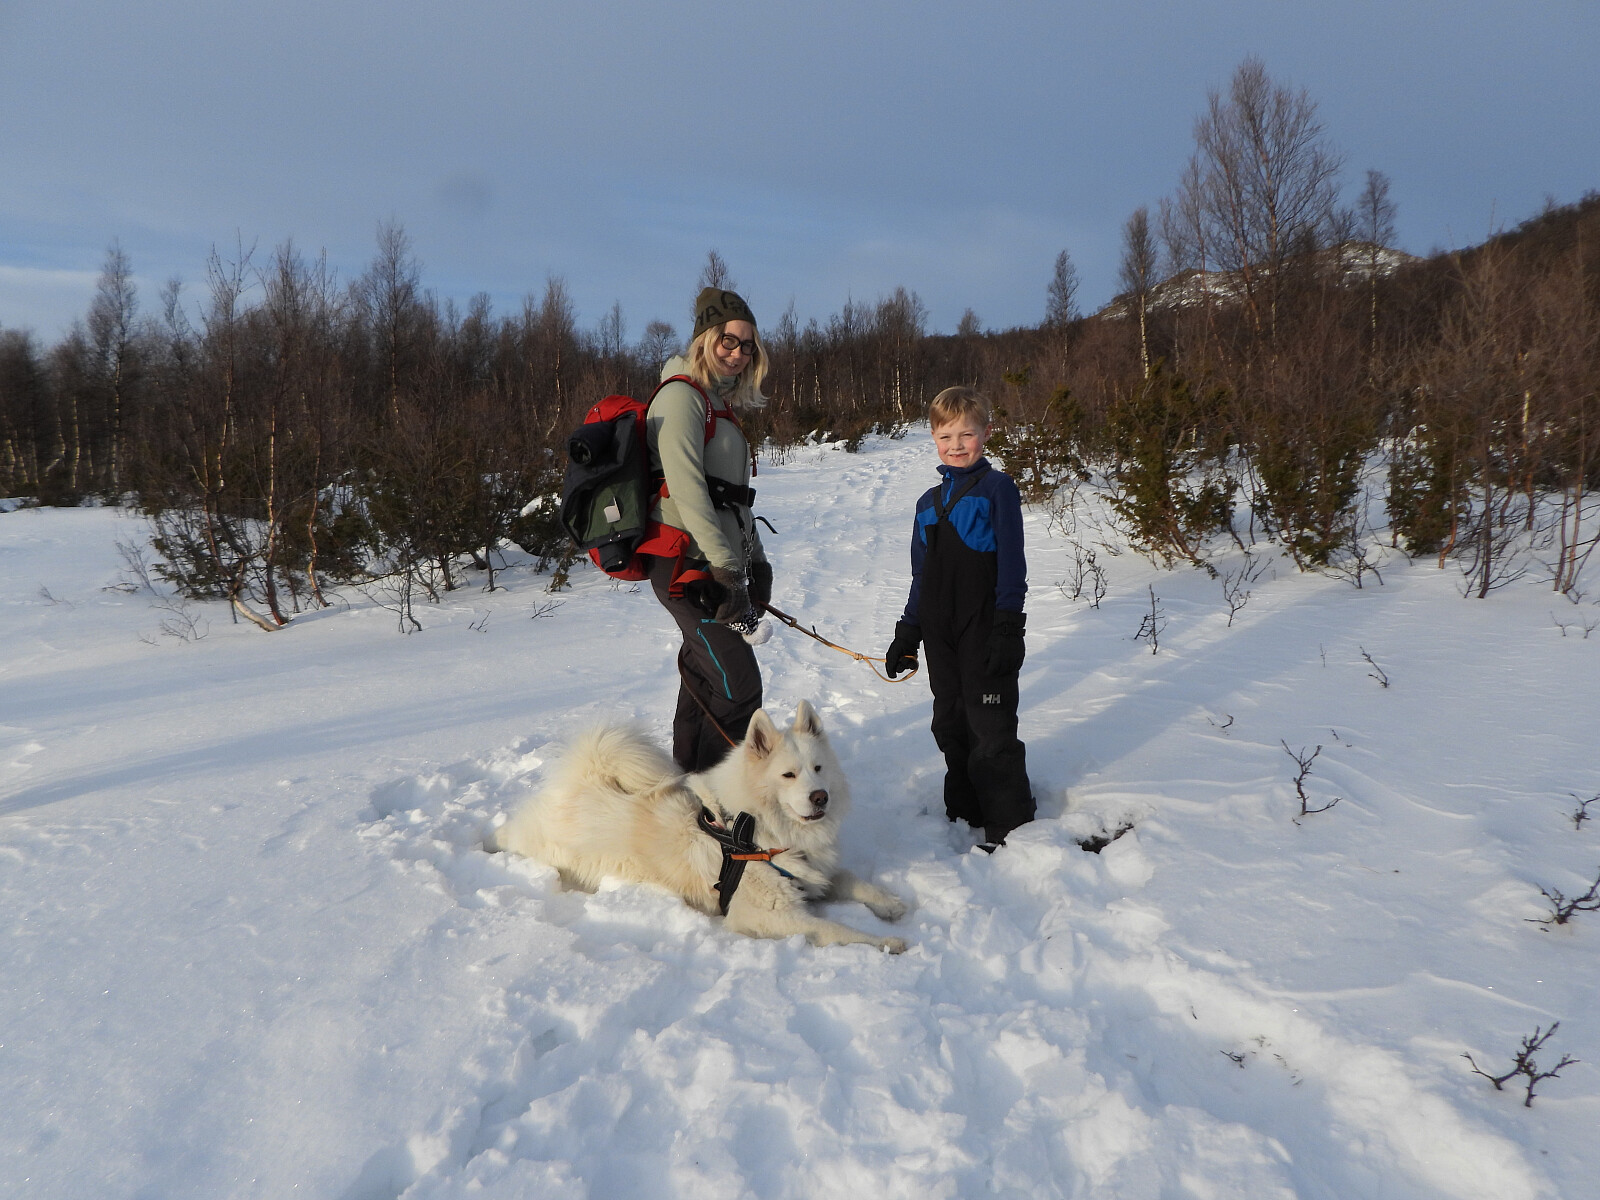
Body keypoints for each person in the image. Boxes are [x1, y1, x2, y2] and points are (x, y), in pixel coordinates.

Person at [883, 387, 1034, 850]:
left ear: (985, 433)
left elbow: (1012, 563)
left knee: (990, 722)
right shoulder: (926, 503)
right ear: (932, 437)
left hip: (984, 625)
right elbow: (921, 574)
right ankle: (966, 811)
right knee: (949, 720)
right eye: (946, 436)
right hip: (939, 631)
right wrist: (908, 630)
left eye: (966, 434)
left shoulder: (997, 489)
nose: (956, 445)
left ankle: (1008, 824)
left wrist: (1008, 624)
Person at [645, 287, 773, 772]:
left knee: (704, 679)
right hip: (684, 564)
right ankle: (718, 798)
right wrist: (726, 571)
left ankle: (688, 789)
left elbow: (733, 500)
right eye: (728, 340)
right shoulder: (681, 397)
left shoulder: (717, 402)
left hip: (710, 564)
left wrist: (756, 562)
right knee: (739, 688)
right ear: (704, 338)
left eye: (747, 346)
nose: (737, 353)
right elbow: (688, 492)